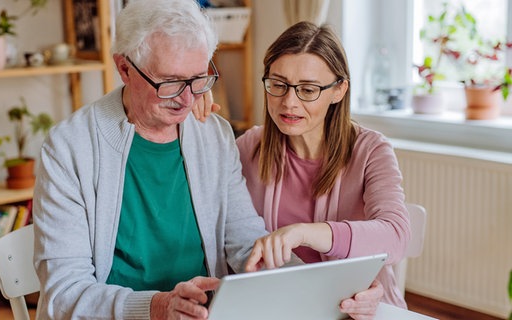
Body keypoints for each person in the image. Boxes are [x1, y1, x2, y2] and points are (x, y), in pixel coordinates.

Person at [32, 0, 383, 318]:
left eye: (199, 79)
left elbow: (245, 242)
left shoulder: (212, 134)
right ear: (124, 69)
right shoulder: (69, 148)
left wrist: (332, 289)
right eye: (170, 82)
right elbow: (63, 294)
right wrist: (155, 306)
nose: (187, 100)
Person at [234, 21, 411, 311]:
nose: (288, 102)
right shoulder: (249, 147)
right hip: (282, 306)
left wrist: (304, 233)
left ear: (339, 90)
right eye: (278, 85)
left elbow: (396, 236)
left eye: (308, 89)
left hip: (363, 309)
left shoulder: (371, 151)